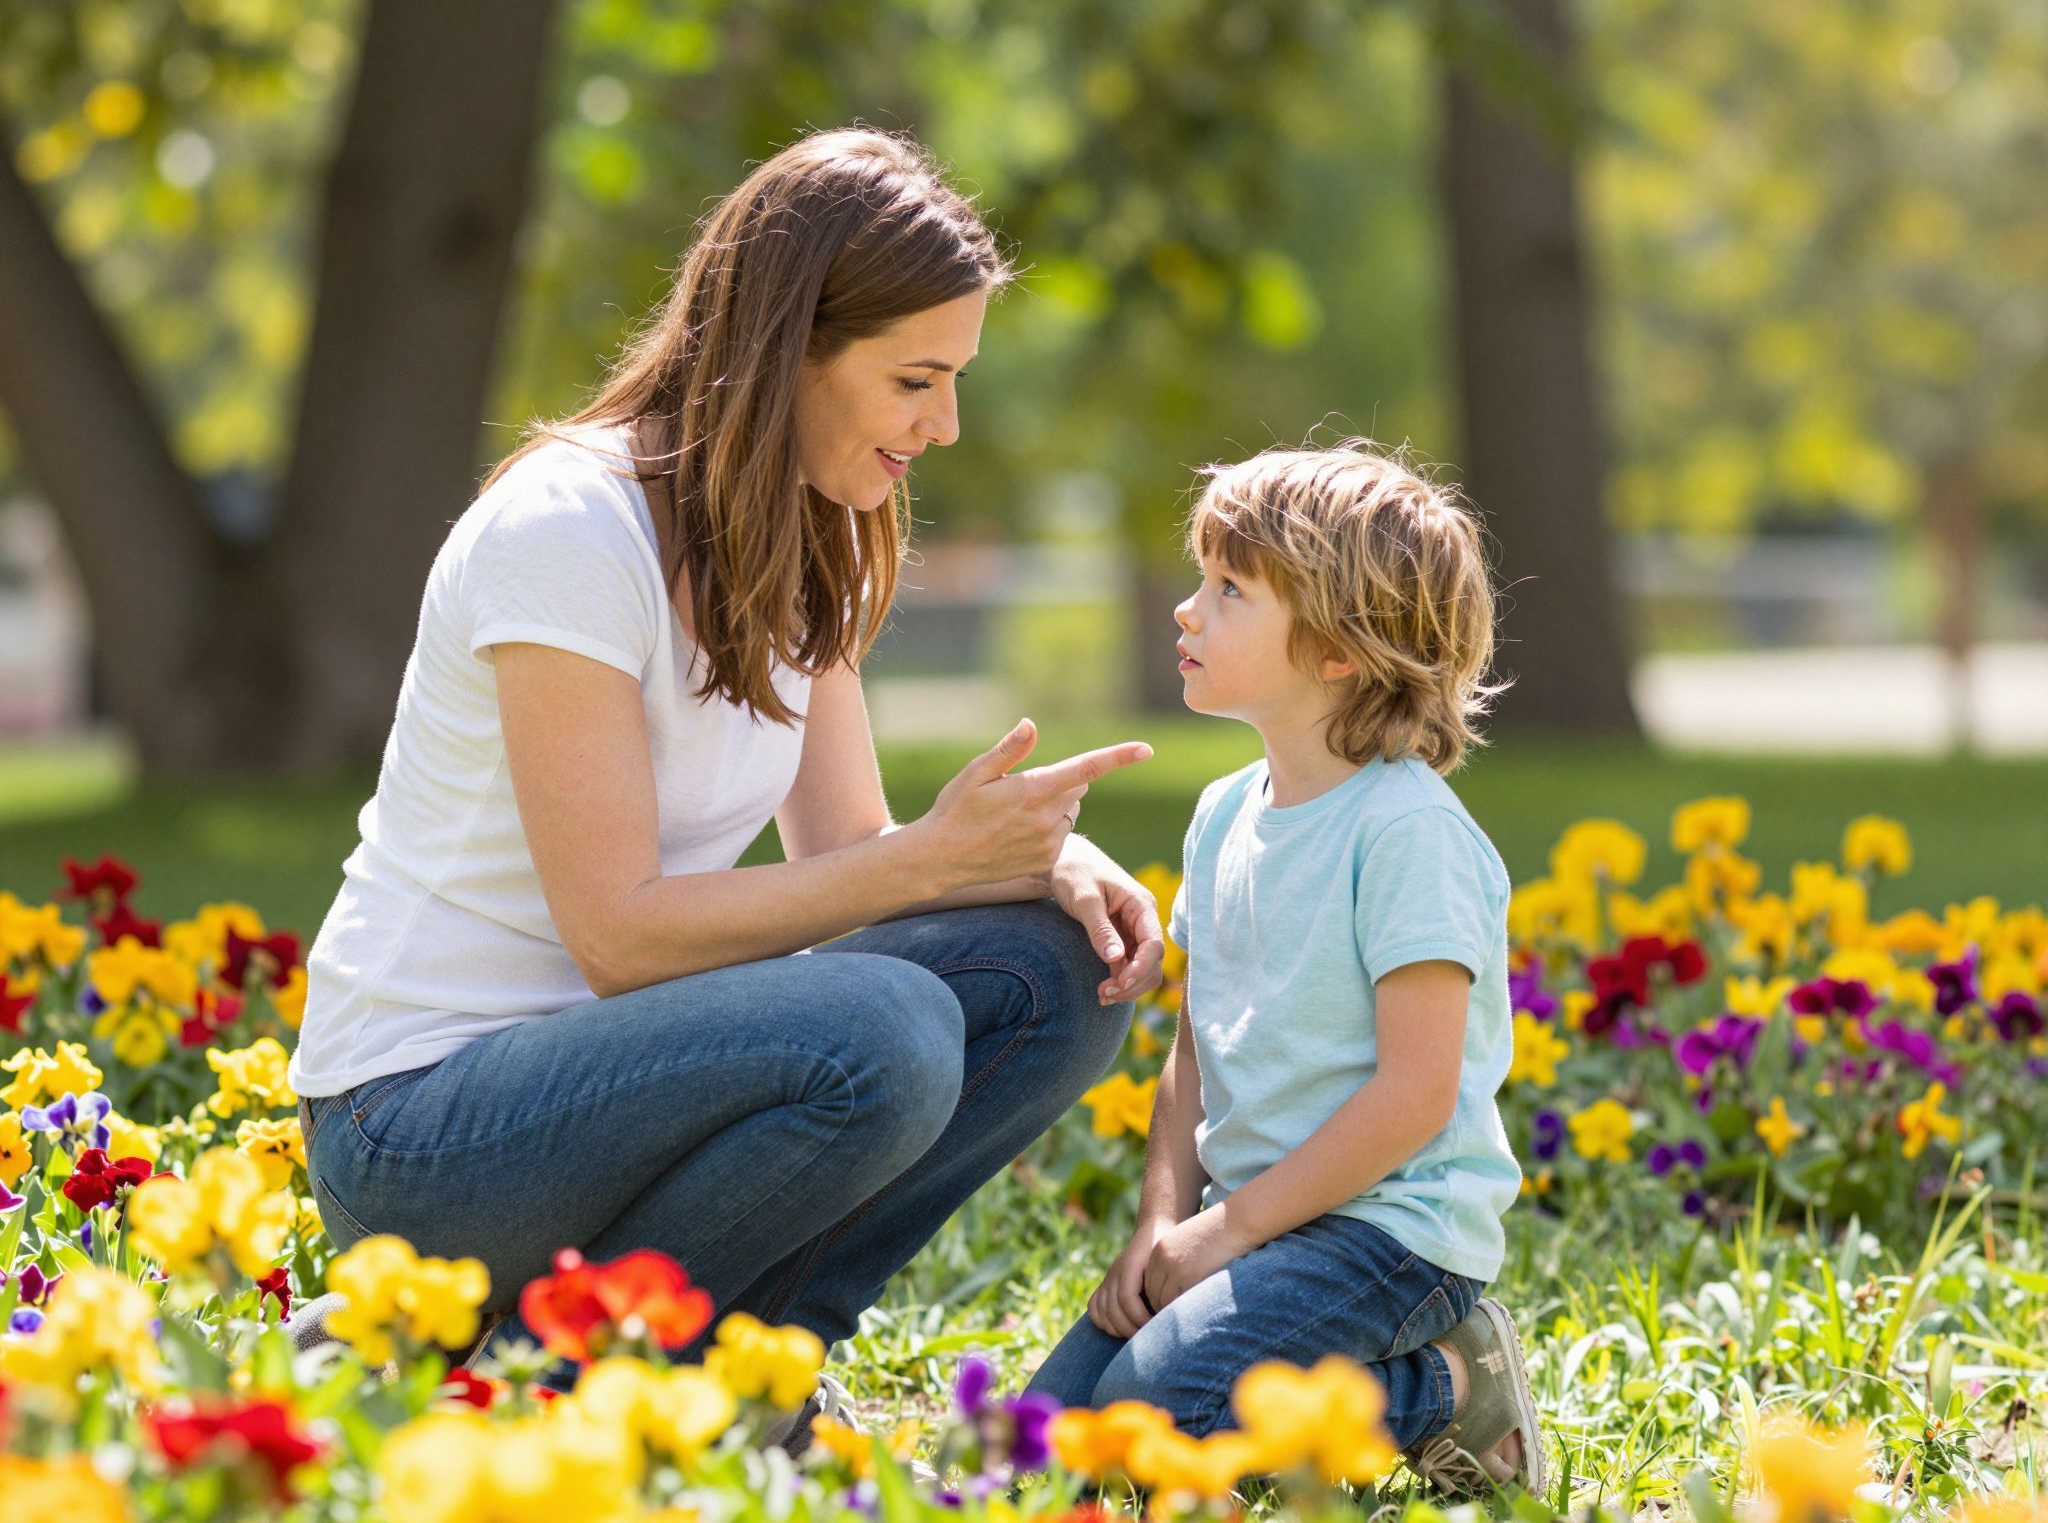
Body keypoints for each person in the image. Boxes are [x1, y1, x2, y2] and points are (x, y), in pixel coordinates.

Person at [286, 129, 1167, 1408]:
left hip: (629, 1086)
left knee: (1054, 971)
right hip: (423, 1126)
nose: (947, 423)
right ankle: (547, 1359)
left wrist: (1032, 859)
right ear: (789, 348)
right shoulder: (567, 530)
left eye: (955, 379)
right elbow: (619, 938)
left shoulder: (800, 534)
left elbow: (846, 858)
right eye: (916, 379)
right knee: (886, 1029)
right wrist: (930, 861)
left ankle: (738, 1367)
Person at [1025, 444, 1545, 1495]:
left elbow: (1413, 1097)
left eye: (1229, 590)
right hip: (1250, 1218)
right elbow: (1195, 1049)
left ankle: (1452, 1384)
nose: (1186, 611)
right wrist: (1162, 1225)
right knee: (1040, 1447)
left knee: (1157, 1426)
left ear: (1338, 651)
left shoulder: (1404, 835)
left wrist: (1230, 1232)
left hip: (1389, 1232)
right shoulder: (1223, 813)